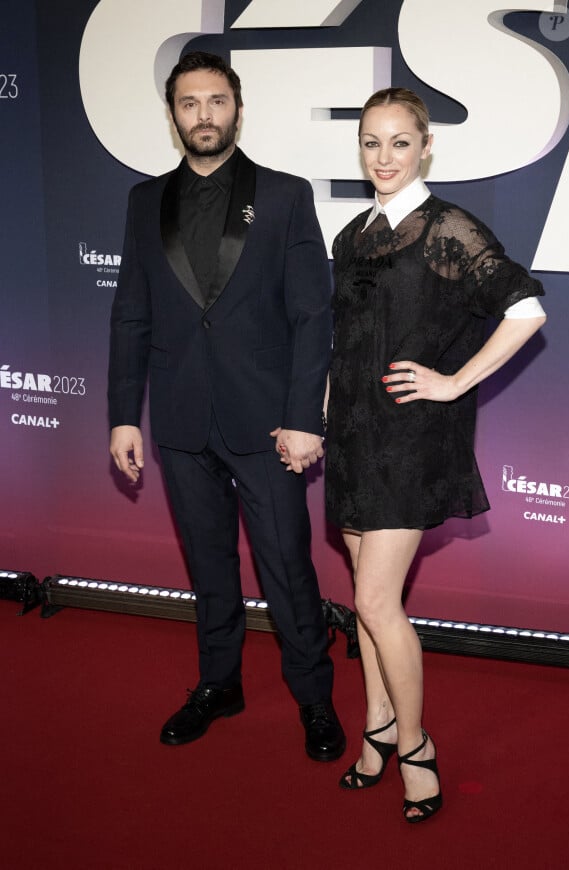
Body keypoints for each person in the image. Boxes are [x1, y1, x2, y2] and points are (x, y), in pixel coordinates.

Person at [107, 51, 345, 762]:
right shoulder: (144, 202)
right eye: (189, 103)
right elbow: (131, 314)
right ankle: (219, 684)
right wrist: (125, 412)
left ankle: (313, 697)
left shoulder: (282, 195)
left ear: (237, 109)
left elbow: (313, 316)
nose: (203, 114)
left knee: (286, 567)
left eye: (216, 100)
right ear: (172, 113)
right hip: (179, 421)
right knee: (209, 566)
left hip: (267, 423)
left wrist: (306, 417)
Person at [323, 87, 546, 821]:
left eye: (398, 142)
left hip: (411, 443)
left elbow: (526, 309)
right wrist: (325, 416)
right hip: (356, 435)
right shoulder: (351, 236)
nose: (383, 157)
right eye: (370, 142)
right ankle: (378, 724)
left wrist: (454, 381)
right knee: (363, 596)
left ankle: (416, 747)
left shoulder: (449, 228)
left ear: (425, 148)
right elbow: (346, 341)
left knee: (377, 601)